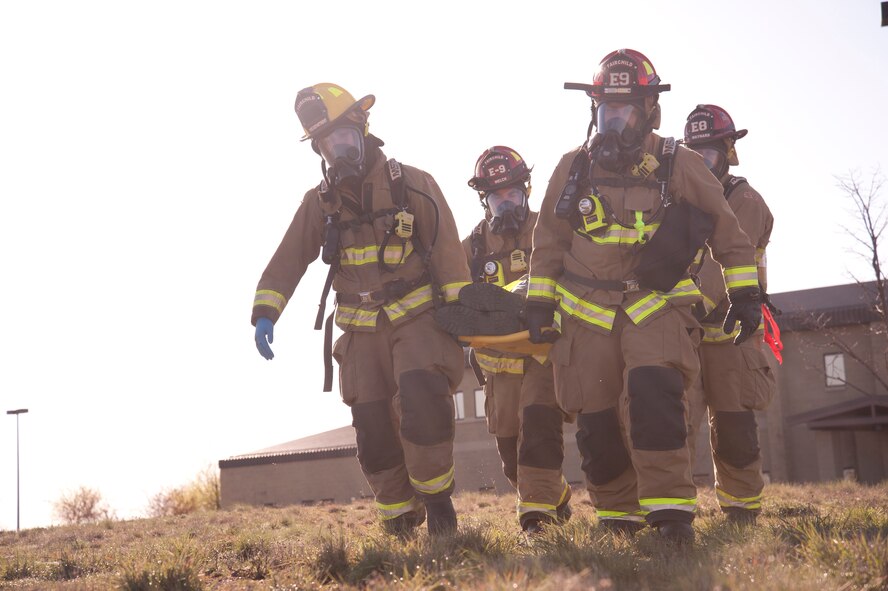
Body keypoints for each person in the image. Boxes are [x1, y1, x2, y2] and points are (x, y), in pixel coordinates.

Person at [527, 49, 762, 545]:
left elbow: (728, 230)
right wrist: (538, 302)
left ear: (649, 111)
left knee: (656, 403)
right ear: (594, 111)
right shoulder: (573, 167)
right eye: (606, 111)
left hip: (655, 309)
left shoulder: (680, 163)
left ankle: (672, 519)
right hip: (586, 317)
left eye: (626, 110)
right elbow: (548, 241)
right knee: (596, 421)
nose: (615, 122)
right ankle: (618, 517)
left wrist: (745, 294)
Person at [251, 83, 472, 537]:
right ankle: (398, 519)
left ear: (363, 130)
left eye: (344, 137)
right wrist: (265, 311)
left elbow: (448, 250)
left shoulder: (411, 183)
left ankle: (439, 508)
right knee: (372, 430)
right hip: (359, 333)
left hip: (418, 323)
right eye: (328, 143)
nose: (339, 150)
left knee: (422, 405)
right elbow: (289, 257)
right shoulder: (321, 202)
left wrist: (462, 316)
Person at [438, 147, 572, 534]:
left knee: (539, 430)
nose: (506, 203)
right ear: (485, 200)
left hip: (544, 354)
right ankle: (555, 495)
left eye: (512, 194)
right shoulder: (473, 248)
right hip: (498, 365)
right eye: (497, 197)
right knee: (513, 459)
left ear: (526, 190)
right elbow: (448, 287)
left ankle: (536, 521)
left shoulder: (550, 229)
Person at [682, 104, 776, 525]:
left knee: (735, 430)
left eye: (710, 155)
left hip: (733, 335)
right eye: (694, 155)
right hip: (686, 334)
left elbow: (722, 273)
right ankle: (672, 510)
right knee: (671, 427)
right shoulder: (678, 200)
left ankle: (741, 512)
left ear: (727, 152)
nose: (703, 164)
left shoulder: (745, 201)